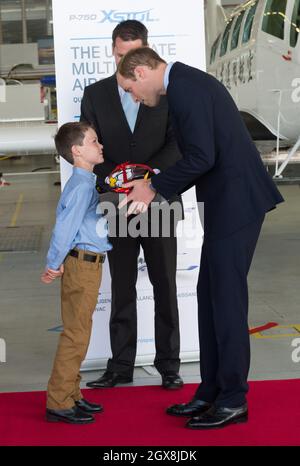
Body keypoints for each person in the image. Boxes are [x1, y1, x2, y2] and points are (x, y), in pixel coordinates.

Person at [117, 47, 284, 429]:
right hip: (227, 203)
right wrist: (150, 180)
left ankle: (233, 399)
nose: (133, 97)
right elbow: (196, 154)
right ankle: (210, 391)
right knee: (210, 299)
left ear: (141, 71)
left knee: (226, 303)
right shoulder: (185, 85)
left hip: (237, 203)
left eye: (130, 88)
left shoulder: (187, 88)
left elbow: (202, 158)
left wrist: (152, 188)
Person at [80, 20, 184, 390]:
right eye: (120, 55)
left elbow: (178, 145)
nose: (126, 63)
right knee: (121, 287)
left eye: (133, 55)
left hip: (159, 201)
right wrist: (119, 183)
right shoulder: (95, 95)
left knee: (164, 286)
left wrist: (148, 181)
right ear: (112, 50)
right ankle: (120, 366)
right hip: (116, 204)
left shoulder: (168, 94)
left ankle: (169, 366)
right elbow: (90, 152)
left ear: (146, 52)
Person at [41, 122, 112, 424]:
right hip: (81, 265)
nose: (101, 146)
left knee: (79, 332)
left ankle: (72, 394)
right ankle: (58, 401)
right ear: (77, 150)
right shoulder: (82, 186)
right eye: (94, 141)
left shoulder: (87, 181)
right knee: (75, 334)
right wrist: (53, 263)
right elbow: (65, 229)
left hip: (88, 263)